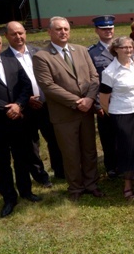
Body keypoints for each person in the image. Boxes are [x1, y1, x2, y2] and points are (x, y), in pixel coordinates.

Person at [33, 17, 103, 201]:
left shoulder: (81, 50)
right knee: (70, 153)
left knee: (89, 150)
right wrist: (77, 101)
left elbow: (94, 77)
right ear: (49, 32)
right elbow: (48, 86)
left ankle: (91, 183)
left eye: (66, 29)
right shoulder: (42, 56)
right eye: (58, 29)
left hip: (86, 111)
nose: (63, 32)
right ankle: (75, 188)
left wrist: (88, 99)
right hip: (64, 114)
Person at [2, 21, 64, 184]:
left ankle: (60, 170)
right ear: (6, 36)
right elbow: (5, 86)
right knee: (31, 145)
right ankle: (40, 176)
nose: (18, 36)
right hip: (25, 108)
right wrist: (25, 100)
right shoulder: (3, 59)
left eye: (21, 33)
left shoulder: (38, 52)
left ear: (25, 34)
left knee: (55, 139)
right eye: (14, 34)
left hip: (46, 105)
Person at [99, 36, 134, 200]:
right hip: (122, 115)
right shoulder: (109, 72)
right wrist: (114, 116)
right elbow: (103, 100)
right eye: (124, 47)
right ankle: (127, 185)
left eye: (130, 47)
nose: (129, 50)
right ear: (116, 49)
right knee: (128, 150)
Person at [0, 31, 40, 218]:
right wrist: (6, 108)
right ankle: (9, 198)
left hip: (18, 121)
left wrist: (19, 105)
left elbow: (25, 85)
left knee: (22, 158)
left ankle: (26, 191)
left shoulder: (11, 61)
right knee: (2, 163)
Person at [88, 15, 118, 178]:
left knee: (123, 133)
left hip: (122, 100)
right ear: (97, 30)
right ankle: (111, 166)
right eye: (104, 29)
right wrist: (98, 105)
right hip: (105, 102)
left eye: (110, 28)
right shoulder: (92, 53)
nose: (108, 31)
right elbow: (92, 81)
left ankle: (124, 163)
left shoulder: (122, 47)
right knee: (107, 136)